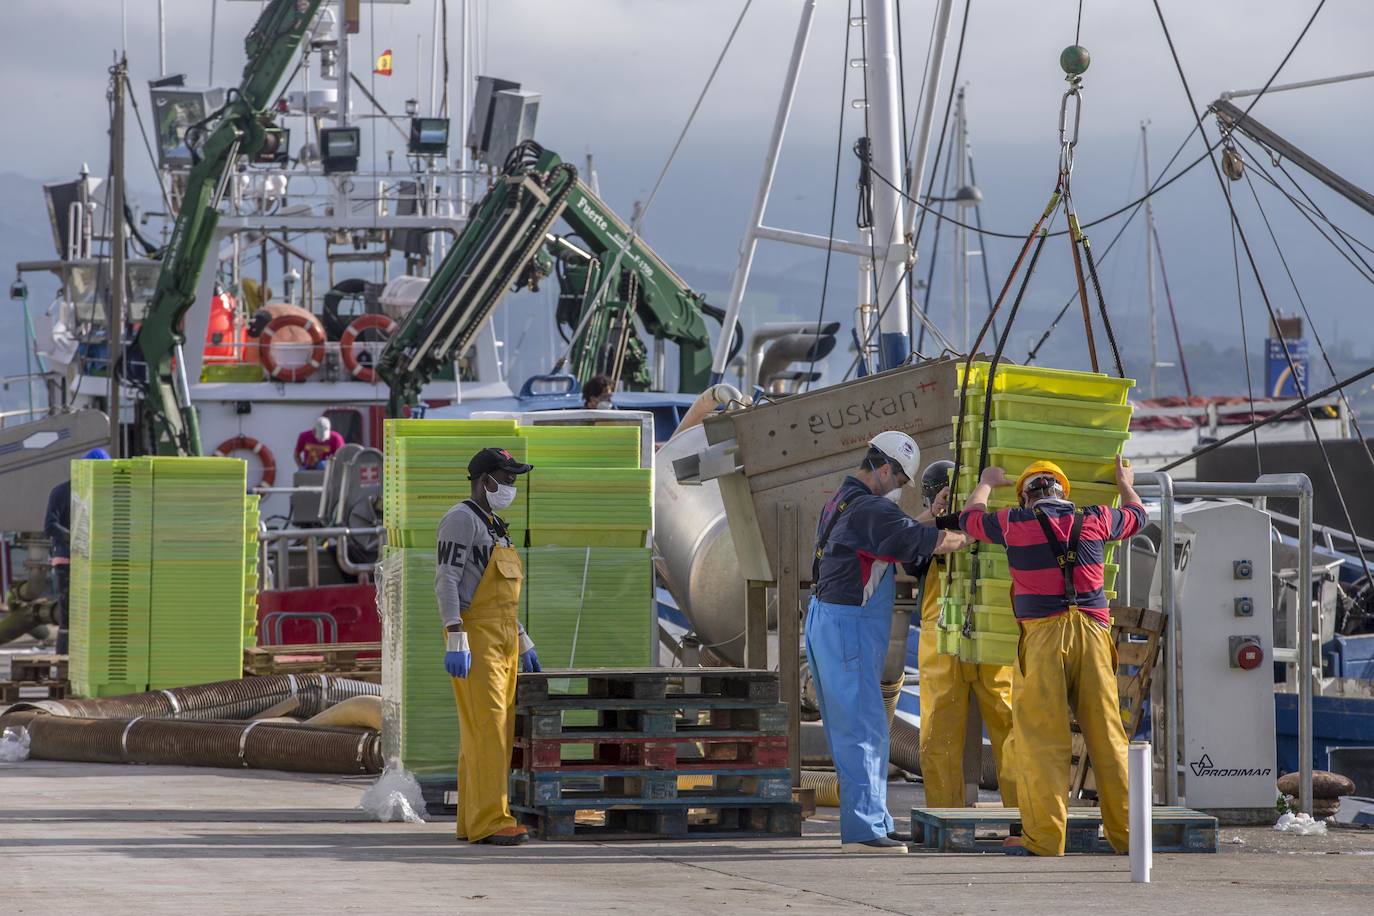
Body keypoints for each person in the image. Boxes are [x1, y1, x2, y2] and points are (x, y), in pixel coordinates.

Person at [960, 455, 1145, 857]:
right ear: (1064, 491)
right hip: (1094, 636)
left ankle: (1045, 840)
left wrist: (988, 482)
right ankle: (1130, 837)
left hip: (1043, 637)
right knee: (1108, 738)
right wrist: (1124, 482)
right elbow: (1137, 515)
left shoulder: (1013, 523)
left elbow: (969, 520)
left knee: (1043, 741)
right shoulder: (1096, 518)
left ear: (1026, 496)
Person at [807, 431, 968, 854]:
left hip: (829, 619)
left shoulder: (846, 497)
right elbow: (919, 543)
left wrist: (931, 514)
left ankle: (874, 818)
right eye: (898, 481)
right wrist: (971, 527)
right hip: (849, 625)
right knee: (862, 727)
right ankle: (863, 830)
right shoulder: (872, 509)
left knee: (863, 727)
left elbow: (896, 533)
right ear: (884, 469)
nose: (898, 489)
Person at [434, 447, 542, 846]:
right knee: (489, 730)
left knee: (492, 729)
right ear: (484, 481)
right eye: (506, 478)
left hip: (503, 637)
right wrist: (455, 634)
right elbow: (446, 579)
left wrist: (523, 638)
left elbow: (502, 595)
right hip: (475, 635)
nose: (511, 486)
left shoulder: (494, 524)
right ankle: (491, 821)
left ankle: (471, 819)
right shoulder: (460, 520)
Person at [914, 459, 1017, 809]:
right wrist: (936, 514)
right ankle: (945, 813)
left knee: (1009, 722)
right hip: (948, 634)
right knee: (939, 729)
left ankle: (1025, 813)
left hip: (985, 630)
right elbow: (905, 547)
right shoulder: (927, 527)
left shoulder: (987, 519)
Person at [44, 447, 111, 652]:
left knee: (93, 614)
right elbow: (50, 526)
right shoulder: (63, 491)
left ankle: (87, 658)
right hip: (68, 561)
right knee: (70, 614)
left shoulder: (104, 492)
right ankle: (65, 663)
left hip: (96, 560)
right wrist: (76, 537)